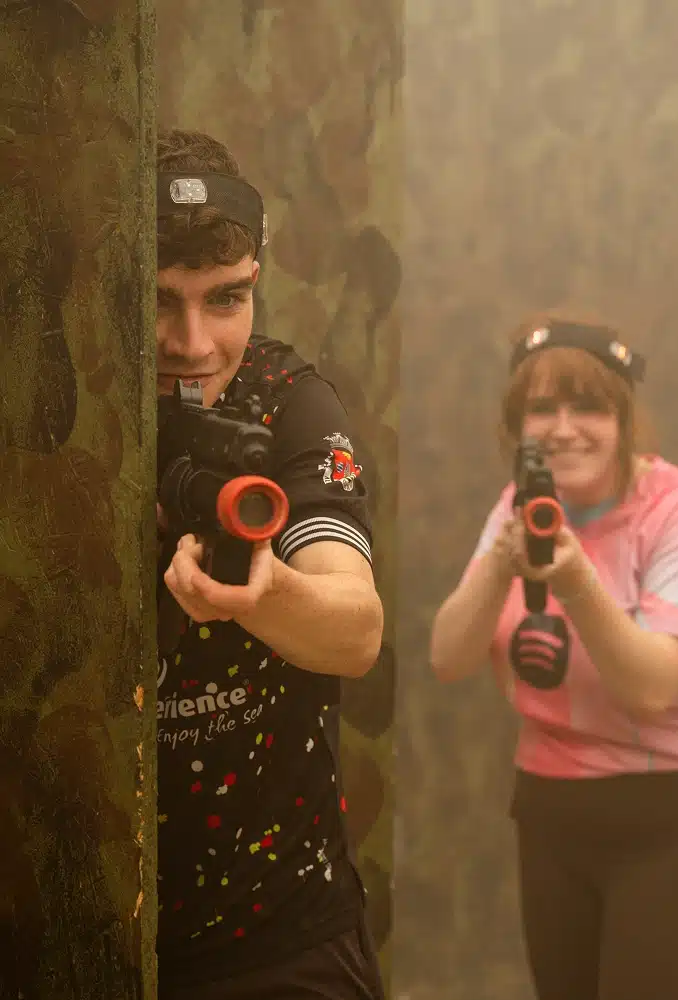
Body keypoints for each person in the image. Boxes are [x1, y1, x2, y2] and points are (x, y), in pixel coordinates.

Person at [429, 312, 678, 1000]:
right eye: (541, 409)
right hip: (555, 800)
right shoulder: (520, 503)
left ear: (625, 420)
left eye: (588, 406)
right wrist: (502, 559)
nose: (563, 427)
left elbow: (651, 688)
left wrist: (574, 577)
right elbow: (448, 657)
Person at [154, 128, 385, 1000]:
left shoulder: (289, 401)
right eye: (160, 302)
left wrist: (263, 591)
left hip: (278, 931)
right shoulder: (60, 408)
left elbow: (355, 628)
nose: (195, 342)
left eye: (226, 300)